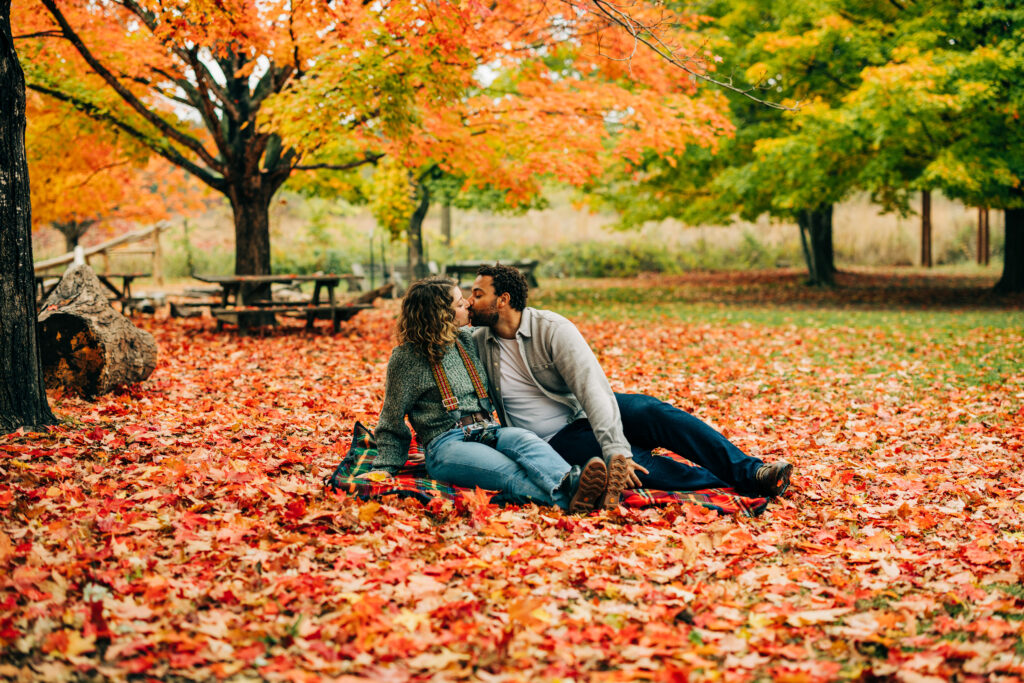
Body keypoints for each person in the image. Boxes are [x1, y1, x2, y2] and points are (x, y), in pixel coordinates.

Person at [467, 263, 794, 508]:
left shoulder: (552, 329)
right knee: (639, 468)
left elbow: (592, 389)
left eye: (477, 294)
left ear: (503, 300)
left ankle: (753, 473)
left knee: (651, 411)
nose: (469, 302)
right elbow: (436, 333)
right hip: (552, 440)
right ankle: (724, 481)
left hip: (582, 411)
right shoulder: (476, 341)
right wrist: (618, 458)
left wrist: (615, 449)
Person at [372, 276, 609, 513]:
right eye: (458, 303)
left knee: (526, 440)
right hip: (447, 444)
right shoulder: (406, 359)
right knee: (509, 470)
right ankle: (573, 501)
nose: (467, 304)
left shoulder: (467, 340)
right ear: (438, 315)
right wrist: (387, 464)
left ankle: (572, 482)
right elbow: (391, 418)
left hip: (488, 430)